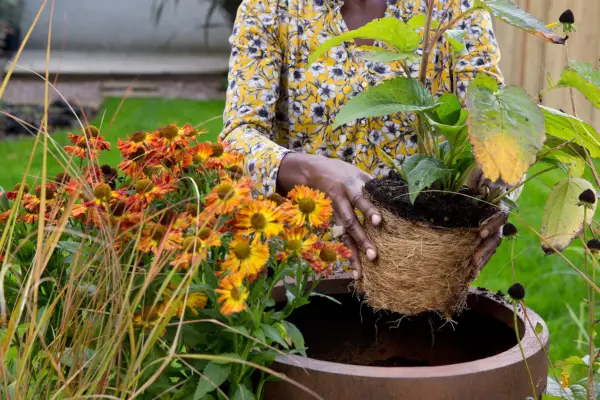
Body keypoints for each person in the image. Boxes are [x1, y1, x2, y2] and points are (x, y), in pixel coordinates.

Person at [220, 0, 508, 278]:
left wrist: (495, 188)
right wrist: (310, 171)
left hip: (425, 271)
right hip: (301, 274)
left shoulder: (453, 8)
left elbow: (494, 124)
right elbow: (237, 139)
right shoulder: (272, 8)